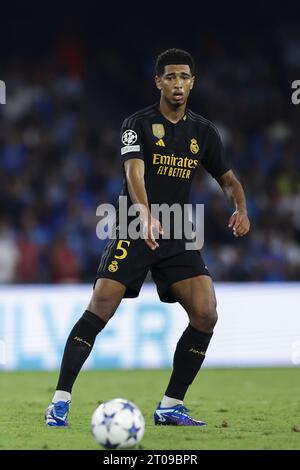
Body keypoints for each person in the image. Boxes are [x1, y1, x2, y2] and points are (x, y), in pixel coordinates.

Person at [45, 48, 250, 427]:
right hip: (134, 227)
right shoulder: (136, 123)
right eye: (170, 77)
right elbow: (133, 172)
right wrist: (143, 212)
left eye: (184, 77)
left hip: (176, 234)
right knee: (100, 307)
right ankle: (60, 400)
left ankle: (171, 405)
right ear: (158, 81)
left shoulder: (203, 132)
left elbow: (229, 180)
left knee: (206, 314)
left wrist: (240, 207)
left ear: (192, 83)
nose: (177, 83)